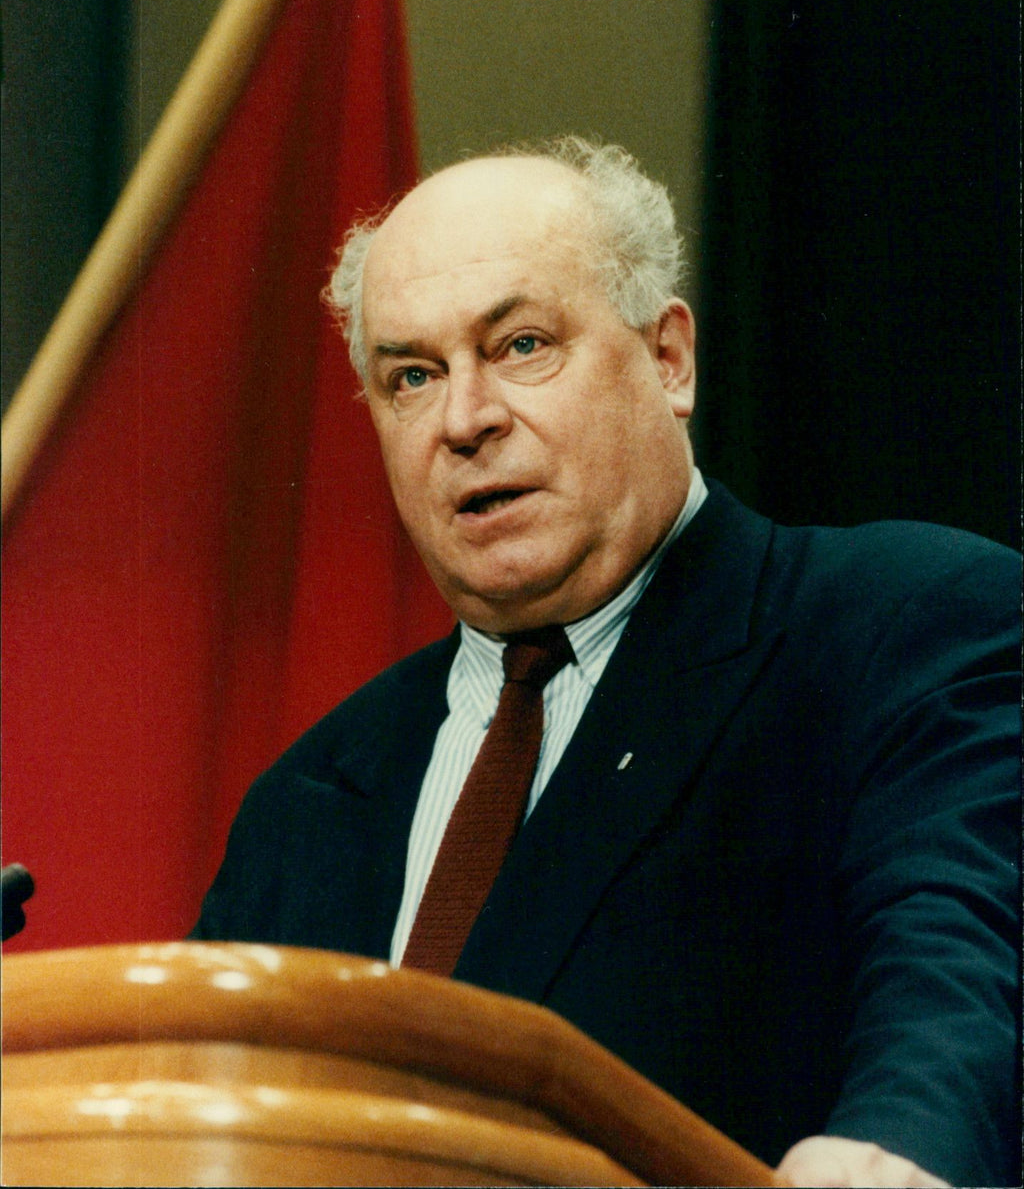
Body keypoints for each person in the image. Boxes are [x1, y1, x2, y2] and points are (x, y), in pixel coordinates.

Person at [193, 137, 1020, 1187]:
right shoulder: (306, 801)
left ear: (668, 359)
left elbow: (965, 962)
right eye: (413, 376)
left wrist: (898, 1152)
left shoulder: (897, 629)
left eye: (522, 345)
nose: (465, 420)